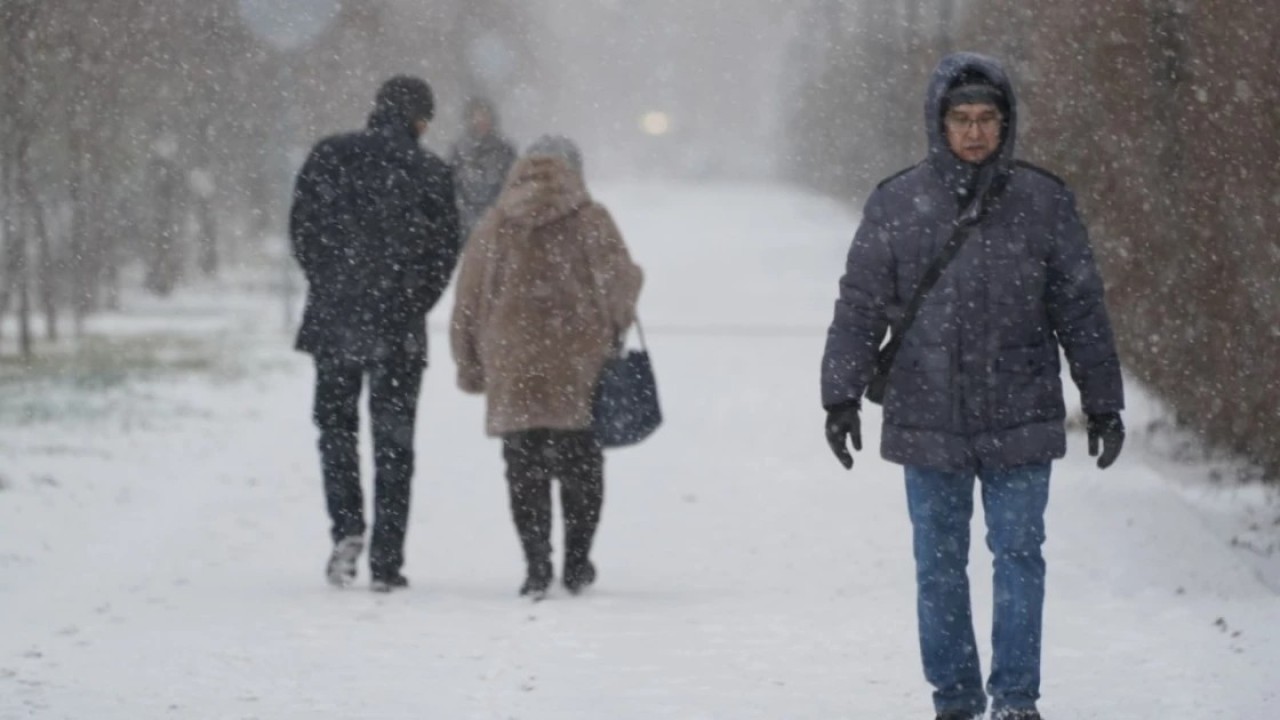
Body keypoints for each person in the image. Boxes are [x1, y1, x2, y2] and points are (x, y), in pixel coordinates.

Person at [820, 53, 1126, 720]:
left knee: (1019, 557)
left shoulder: (1044, 202)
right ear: (939, 122)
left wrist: (1103, 401)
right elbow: (860, 307)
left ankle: (1015, 700)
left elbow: (1080, 308)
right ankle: (956, 701)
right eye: (962, 118)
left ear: (1006, 123)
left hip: (1022, 409)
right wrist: (839, 397)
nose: (975, 131)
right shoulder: (896, 203)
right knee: (939, 567)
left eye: (988, 118)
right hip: (927, 411)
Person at [450, 135, 642, 600]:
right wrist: (614, 326)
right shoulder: (591, 219)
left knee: (523, 467)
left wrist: (470, 363)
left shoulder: (495, 224)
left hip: (513, 363)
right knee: (582, 467)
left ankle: (536, 564)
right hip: (578, 364)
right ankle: (576, 563)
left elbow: (468, 301)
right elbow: (621, 286)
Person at [290, 75, 461, 593]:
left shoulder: (329, 155)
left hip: (336, 321)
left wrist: (330, 284)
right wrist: (411, 302)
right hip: (398, 329)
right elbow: (444, 253)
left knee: (336, 430)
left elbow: (303, 231)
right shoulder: (431, 172)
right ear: (421, 120)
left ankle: (346, 527)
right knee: (394, 443)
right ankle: (387, 559)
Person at [449, 97, 518, 239]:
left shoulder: (504, 149)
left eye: (484, 116)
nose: (481, 121)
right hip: (465, 219)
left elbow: (512, 182)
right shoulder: (459, 149)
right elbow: (452, 182)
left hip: (498, 218)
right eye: (476, 117)